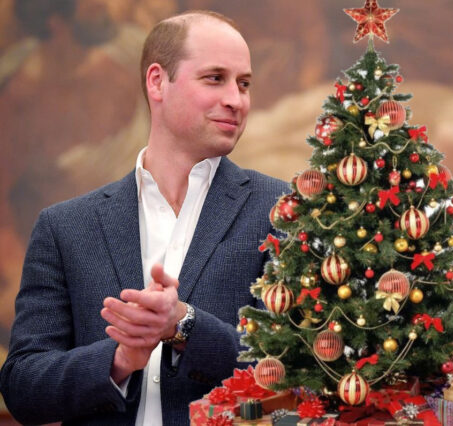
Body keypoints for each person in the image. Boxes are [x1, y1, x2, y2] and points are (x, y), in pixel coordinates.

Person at [0, 10, 288, 425]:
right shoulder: (65, 227)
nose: (236, 99)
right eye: (215, 78)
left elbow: (295, 368)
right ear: (157, 82)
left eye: (244, 84)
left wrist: (183, 324)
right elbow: (23, 387)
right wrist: (118, 360)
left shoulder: (282, 210)